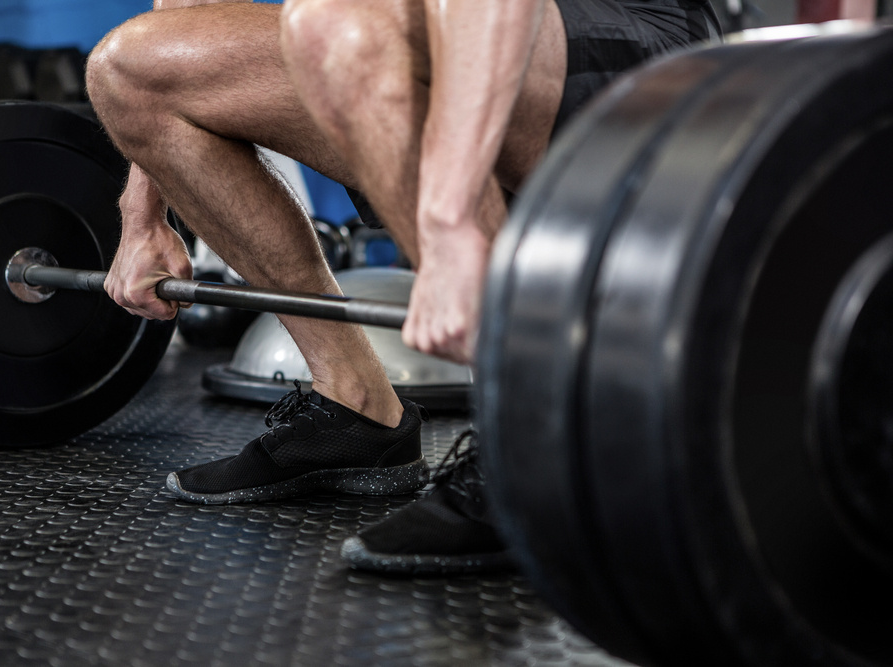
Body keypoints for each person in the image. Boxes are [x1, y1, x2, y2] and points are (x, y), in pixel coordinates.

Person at [85, 0, 720, 574]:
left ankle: (532, 448)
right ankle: (354, 408)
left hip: (630, 53)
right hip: (386, 40)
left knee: (340, 26)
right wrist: (145, 214)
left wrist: (449, 226)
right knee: (129, 68)